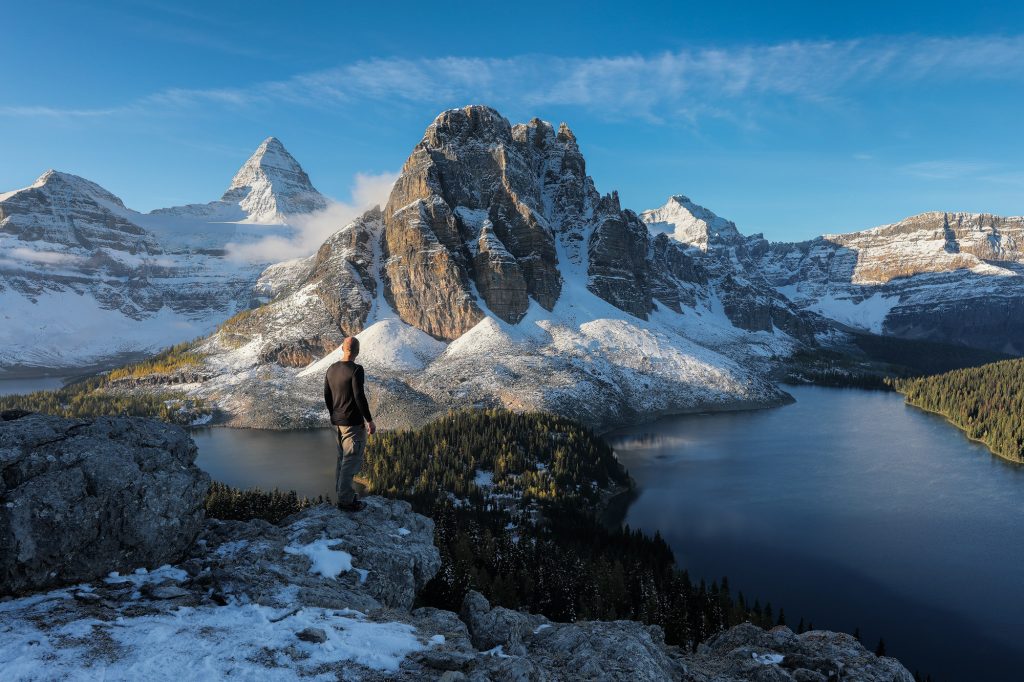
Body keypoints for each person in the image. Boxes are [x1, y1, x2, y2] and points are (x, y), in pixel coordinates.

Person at [323, 336, 376, 512]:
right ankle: (346, 501)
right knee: (351, 460)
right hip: (353, 423)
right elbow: (359, 396)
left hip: (337, 423)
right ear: (357, 351)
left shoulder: (331, 369)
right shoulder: (356, 370)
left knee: (341, 460)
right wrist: (369, 420)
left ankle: (342, 494)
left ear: (342, 349)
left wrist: (333, 415)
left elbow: (327, 395)